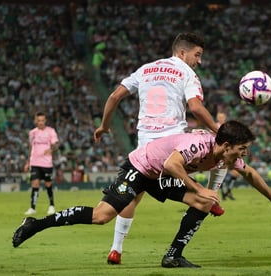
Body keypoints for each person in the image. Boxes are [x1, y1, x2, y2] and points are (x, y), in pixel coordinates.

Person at [12, 121, 271, 268]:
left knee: (204, 201)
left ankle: (173, 255)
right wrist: (198, 187)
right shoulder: (198, 145)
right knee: (101, 216)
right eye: (242, 149)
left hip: (161, 177)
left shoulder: (225, 157)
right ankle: (35, 225)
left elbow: (251, 174)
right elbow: (172, 163)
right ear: (227, 145)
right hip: (140, 168)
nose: (244, 154)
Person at [93, 32, 226, 265]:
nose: (199, 61)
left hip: (145, 146)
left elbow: (114, 97)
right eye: (198, 55)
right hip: (173, 144)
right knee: (221, 156)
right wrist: (218, 130)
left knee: (133, 196)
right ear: (182, 53)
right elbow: (195, 107)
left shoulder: (145, 69)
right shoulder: (187, 73)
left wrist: (104, 126)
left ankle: (116, 249)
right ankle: (207, 197)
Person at [24, 112, 59, 215]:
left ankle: (52, 205)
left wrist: (51, 150)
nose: (40, 122)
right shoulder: (32, 133)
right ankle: (32, 208)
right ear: (35, 121)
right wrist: (27, 162)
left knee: (48, 184)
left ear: (45, 121)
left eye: (42, 120)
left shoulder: (51, 131)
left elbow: (56, 145)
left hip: (47, 163)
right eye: (38, 120)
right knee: (35, 184)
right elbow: (30, 147)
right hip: (34, 162)